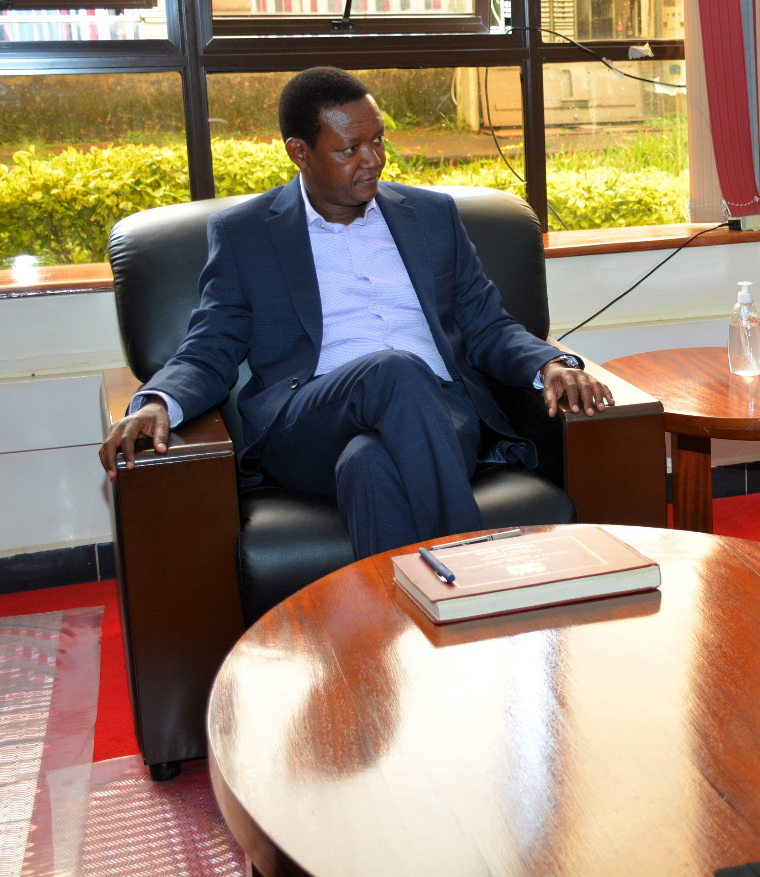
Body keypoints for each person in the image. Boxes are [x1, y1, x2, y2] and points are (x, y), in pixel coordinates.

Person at [98, 67, 614, 557]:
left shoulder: (431, 216)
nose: (373, 160)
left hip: (440, 416)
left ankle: (399, 619)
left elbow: (487, 324)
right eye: (350, 149)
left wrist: (549, 364)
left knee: (369, 464)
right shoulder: (246, 235)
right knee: (394, 370)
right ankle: (473, 574)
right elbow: (211, 344)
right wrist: (157, 402)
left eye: (379, 140)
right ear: (299, 152)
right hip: (308, 421)